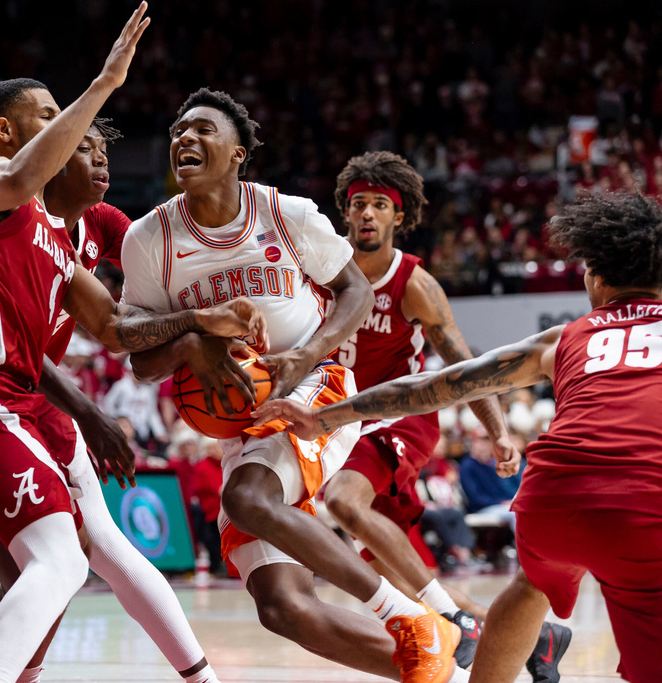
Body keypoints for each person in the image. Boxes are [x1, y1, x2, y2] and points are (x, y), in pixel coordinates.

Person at [0, 7, 263, 682]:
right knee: (56, 564)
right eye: (52, 118)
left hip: (23, 393)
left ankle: (201, 677)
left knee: (95, 548)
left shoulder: (65, 237)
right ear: (9, 132)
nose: (87, 144)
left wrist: (208, 319)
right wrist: (104, 81)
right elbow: (19, 180)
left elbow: (114, 329)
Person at [122, 88, 465, 682]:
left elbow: (355, 291)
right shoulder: (148, 241)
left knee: (246, 499)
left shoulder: (288, 213)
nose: (186, 139)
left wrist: (307, 352)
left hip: (314, 386)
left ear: (237, 155)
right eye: (179, 130)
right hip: (242, 425)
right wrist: (190, 339)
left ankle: (411, 615)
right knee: (283, 607)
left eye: (204, 130)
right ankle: (453, 673)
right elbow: (140, 359)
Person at [253, 192, 662, 683]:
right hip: (645, 506)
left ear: (594, 278)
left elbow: (433, 385)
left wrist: (323, 418)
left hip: (552, 500)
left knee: (532, 582)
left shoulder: (563, 337)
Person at [317, 151, 568, 675]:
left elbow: (468, 367)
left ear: (398, 217)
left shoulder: (413, 283)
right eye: (358, 203)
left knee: (342, 502)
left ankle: (454, 614)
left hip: (400, 417)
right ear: (344, 211)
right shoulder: (317, 268)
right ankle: (538, 640)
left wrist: (498, 431)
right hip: (340, 425)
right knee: (399, 575)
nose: (367, 213)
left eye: (379, 205)